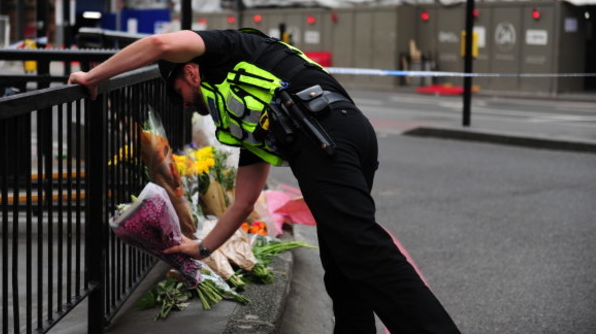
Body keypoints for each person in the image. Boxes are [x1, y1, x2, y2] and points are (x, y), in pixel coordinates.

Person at [68, 28, 461, 334]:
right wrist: (201, 249)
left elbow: (157, 42)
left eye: (178, 94)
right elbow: (244, 200)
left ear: (189, 69)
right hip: (342, 131)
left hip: (321, 135)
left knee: (361, 249)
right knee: (341, 261)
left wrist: (93, 76)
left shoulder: (227, 49)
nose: (183, 103)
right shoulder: (247, 108)